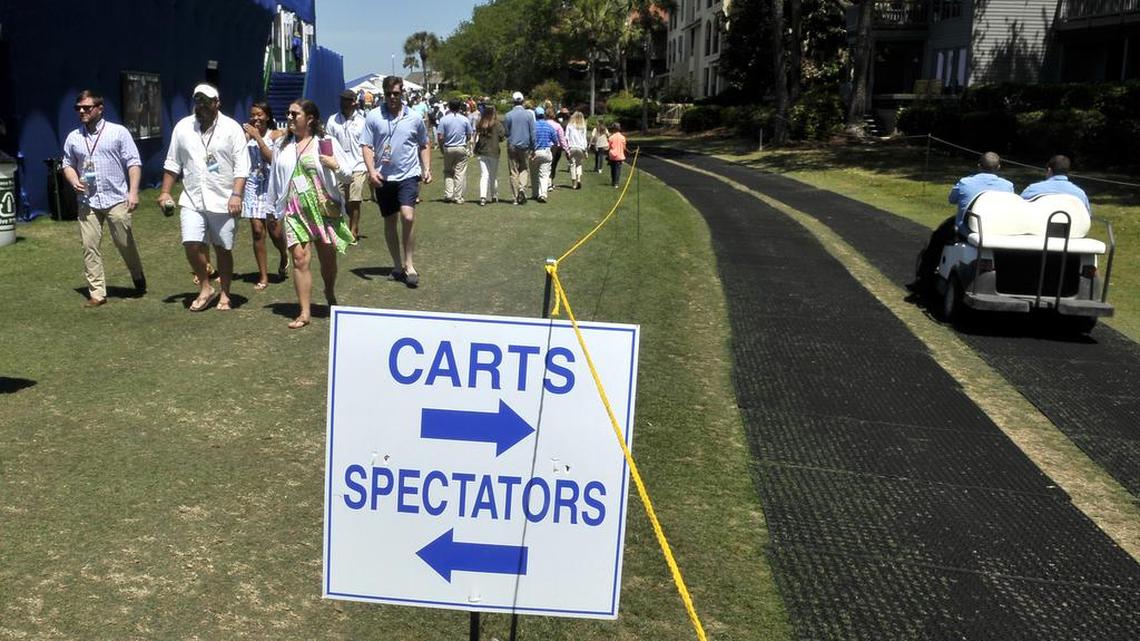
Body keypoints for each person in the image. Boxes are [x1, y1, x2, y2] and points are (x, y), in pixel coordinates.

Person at [158, 83, 249, 312]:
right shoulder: (183, 128)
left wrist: (236, 194)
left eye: (207, 101)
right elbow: (172, 163)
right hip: (192, 198)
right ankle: (206, 287)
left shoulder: (232, 128)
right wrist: (165, 192)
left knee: (222, 249)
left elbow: (241, 167)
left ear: (217, 103)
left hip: (224, 199)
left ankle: (226, 293)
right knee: (191, 243)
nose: (201, 106)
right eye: (198, 101)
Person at [266, 99, 355, 329]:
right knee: (299, 259)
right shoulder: (282, 145)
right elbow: (275, 178)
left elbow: (347, 176)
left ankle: (329, 290)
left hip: (323, 208)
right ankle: (304, 312)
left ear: (310, 118)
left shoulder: (325, 142)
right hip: (294, 210)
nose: (290, 117)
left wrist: (335, 165)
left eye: (295, 114)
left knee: (327, 259)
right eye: (288, 113)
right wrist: (271, 208)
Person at [61, 89, 146, 308]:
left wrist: (133, 192)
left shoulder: (118, 133)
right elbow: (67, 164)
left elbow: (133, 162)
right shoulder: (74, 137)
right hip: (87, 201)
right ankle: (97, 293)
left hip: (116, 197)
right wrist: (73, 180)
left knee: (123, 242)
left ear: (99, 108)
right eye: (78, 108)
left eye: (86, 107)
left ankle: (137, 275)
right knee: (90, 246)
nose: (81, 111)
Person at [362, 75, 433, 288]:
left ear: (403, 93)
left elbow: (424, 143)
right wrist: (371, 170)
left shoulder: (414, 117)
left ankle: (409, 264)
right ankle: (396, 265)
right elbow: (366, 146)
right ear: (384, 95)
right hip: (384, 176)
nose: (393, 97)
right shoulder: (373, 117)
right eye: (389, 94)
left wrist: (426, 168)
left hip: (409, 174)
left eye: (396, 93)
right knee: (390, 221)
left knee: (408, 216)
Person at [911, 151, 1014, 291]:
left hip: (967, 230)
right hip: (995, 230)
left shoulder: (965, 182)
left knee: (936, 239)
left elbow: (951, 199)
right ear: (999, 167)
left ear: (979, 166)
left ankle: (924, 278)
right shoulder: (1008, 186)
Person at [241, 101, 289, 290]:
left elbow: (271, 159)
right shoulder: (245, 136)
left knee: (275, 232)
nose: (256, 118)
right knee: (257, 231)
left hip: (271, 186)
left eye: (260, 114)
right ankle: (263, 276)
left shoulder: (276, 135)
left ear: (267, 116)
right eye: (253, 114)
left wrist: (258, 139)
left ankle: (284, 254)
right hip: (253, 185)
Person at [326, 89, 370, 239]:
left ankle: (353, 229)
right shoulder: (333, 120)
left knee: (355, 199)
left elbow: (367, 144)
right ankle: (347, 224)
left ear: (353, 102)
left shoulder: (362, 121)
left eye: (346, 100)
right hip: (339, 165)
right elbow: (328, 142)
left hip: (358, 165)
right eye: (341, 100)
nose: (342, 103)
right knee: (344, 202)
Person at [1021, 154, 1091, 212]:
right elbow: (1087, 216)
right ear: (1067, 172)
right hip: (1070, 228)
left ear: (1049, 170)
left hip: (1039, 228)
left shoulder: (1033, 190)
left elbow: (1019, 209)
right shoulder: (1080, 194)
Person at [437, 98, 474, 204]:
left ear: (449, 106)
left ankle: (448, 194)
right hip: (461, 147)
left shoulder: (444, 119)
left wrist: (441, 147)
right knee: (460, 172)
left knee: (448, 171)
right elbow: (469, 134)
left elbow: (440, 136)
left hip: (448, 147)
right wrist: (465, 142)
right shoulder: (464, 119)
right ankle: (458, 196)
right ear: (459, 107)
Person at [503, 91, 535, 204]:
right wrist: (533, 148)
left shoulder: (508, 115)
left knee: (513, 171)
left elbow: (506, 133)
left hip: (512, 145)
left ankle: (515, 197)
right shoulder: (529, 115)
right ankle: (522, 187)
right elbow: (532, 133)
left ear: (513, 101)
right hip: (525, 146)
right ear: (522, 101)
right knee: (524, 168)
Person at [474, 104, 506, 206]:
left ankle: (483, 197)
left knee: (484, 175)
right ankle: (494, 195)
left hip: (482, 151)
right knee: (493, 175)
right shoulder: (497, 124)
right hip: (494, 151)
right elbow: (502, 136)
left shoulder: (480, 123)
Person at [530, 107, 557, 203]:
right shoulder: (549, 126)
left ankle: (535, 193)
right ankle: (543, 194)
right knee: (544, 174)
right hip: (546, 151)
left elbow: (530, 139)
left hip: (534, 152)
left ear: (536, 115)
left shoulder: (532, 126)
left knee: (534, 174)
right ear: (544, 115)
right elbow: (555, 140)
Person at [565, 111, 588, 190]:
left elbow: (566, 137)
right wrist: (585, 149)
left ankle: (574, 184)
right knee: (579, 164)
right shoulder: (583, 126)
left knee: (572, 164)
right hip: (580, 147)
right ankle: (579, 179)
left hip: (572, 147)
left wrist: (566, 147)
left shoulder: (570, 125)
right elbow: (584, 139)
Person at [551, 106, 571, 180]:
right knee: (567, 151)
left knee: (567, 151)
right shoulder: (562, 122)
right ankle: (570, 162)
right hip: (563, 136)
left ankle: (570, 162)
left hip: (566, 136)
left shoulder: (567, 121)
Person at [607, 122, 628, 188]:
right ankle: (616, 183)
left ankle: (613, 181)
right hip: (619, 155)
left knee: (613, 169)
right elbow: (624, 147)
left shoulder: (611, 137)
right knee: (618, 169)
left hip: (612, 155)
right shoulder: (622, 137)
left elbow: (608, 147)